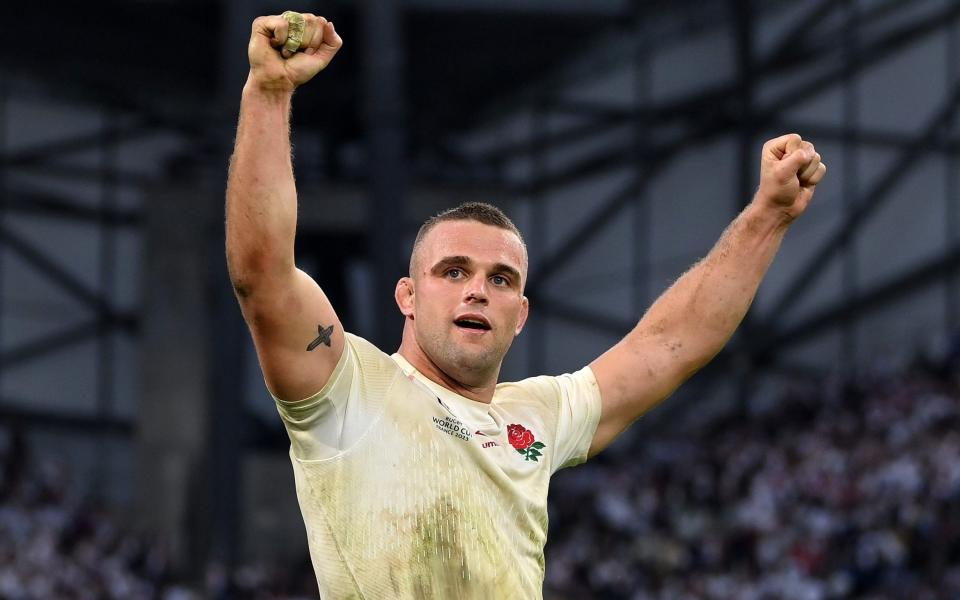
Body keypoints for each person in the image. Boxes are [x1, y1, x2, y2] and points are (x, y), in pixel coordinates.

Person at [224, 11, 827, 600]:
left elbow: (671, 344)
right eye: (453, 271)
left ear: (522, 314)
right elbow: (263, 276)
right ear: (406, 296)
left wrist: (766, 217)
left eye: (502, 279)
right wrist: (269, 93)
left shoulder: (539, 416)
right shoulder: (347, 388)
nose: (478, 289)